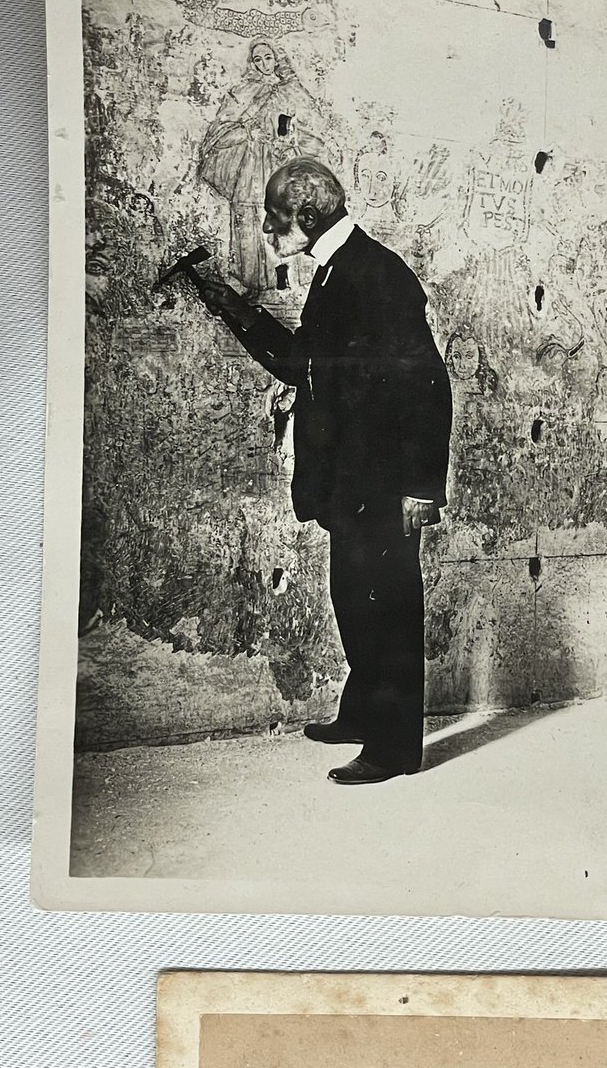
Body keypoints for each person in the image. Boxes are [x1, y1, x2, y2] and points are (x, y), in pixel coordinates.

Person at [185, 157, 452, 784]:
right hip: (351, 479)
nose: (270, 233)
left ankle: (392, 750)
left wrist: (420, 487)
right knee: (354, 600)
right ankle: (362, 715)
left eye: (276, 222)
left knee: (385, 609)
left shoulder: (378, 275)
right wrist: (236, 310)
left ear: (308, 217)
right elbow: (304, 362)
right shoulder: (336, 271)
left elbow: (430, 386)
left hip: (385, 482)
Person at [198, 40, 325, 295]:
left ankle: (289, 281)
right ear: (252, 63)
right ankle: (253, 283)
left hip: (283, 166)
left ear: (277, 59)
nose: (264, 64)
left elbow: (317, 133)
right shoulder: (243, 93)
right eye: (258, 59)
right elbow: (218, 136)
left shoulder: (293, 91)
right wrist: (248, 131)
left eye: (269, 57)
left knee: (288, 215)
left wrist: (291, 140)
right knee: (252, 219)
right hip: (253, 168)